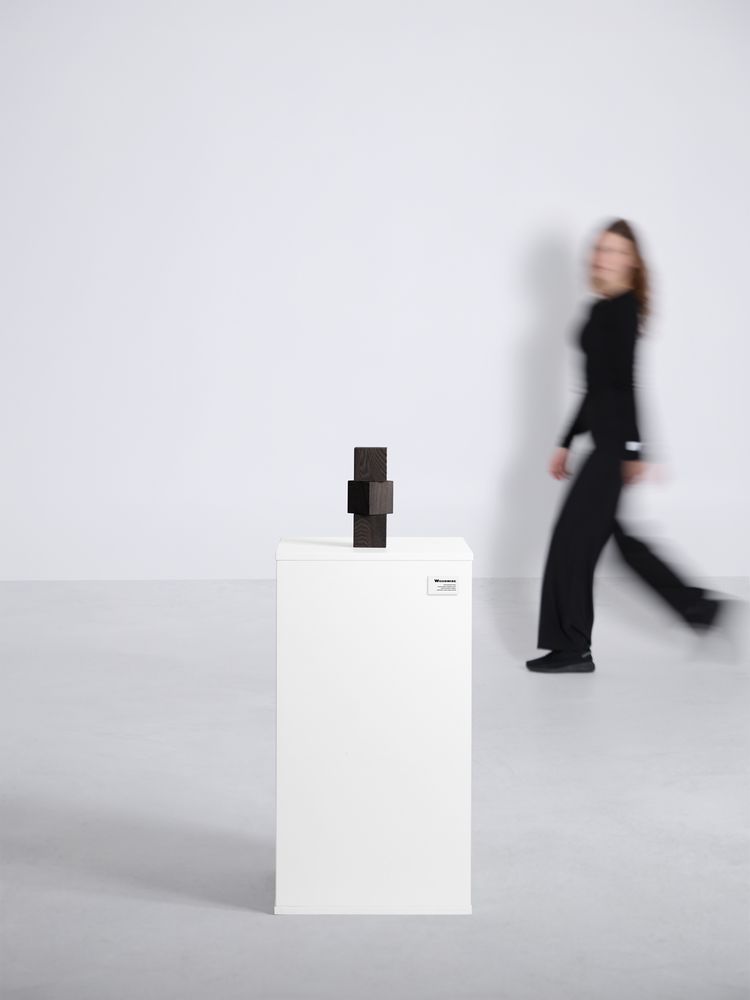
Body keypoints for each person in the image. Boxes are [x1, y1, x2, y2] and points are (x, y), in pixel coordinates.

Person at [526, 218, 728, 673]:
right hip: (606, 442)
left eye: (616, 250)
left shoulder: (622, 310)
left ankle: (573, 649)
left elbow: (625, 384)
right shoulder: (600, 309)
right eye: (600, 248)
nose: (604, 257)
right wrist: (565, 441)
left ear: (632, 262)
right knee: (615, 542)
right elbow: (594, 389)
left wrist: (633, 449)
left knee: (572, 543)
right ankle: (701, 609)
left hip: (614, 447)